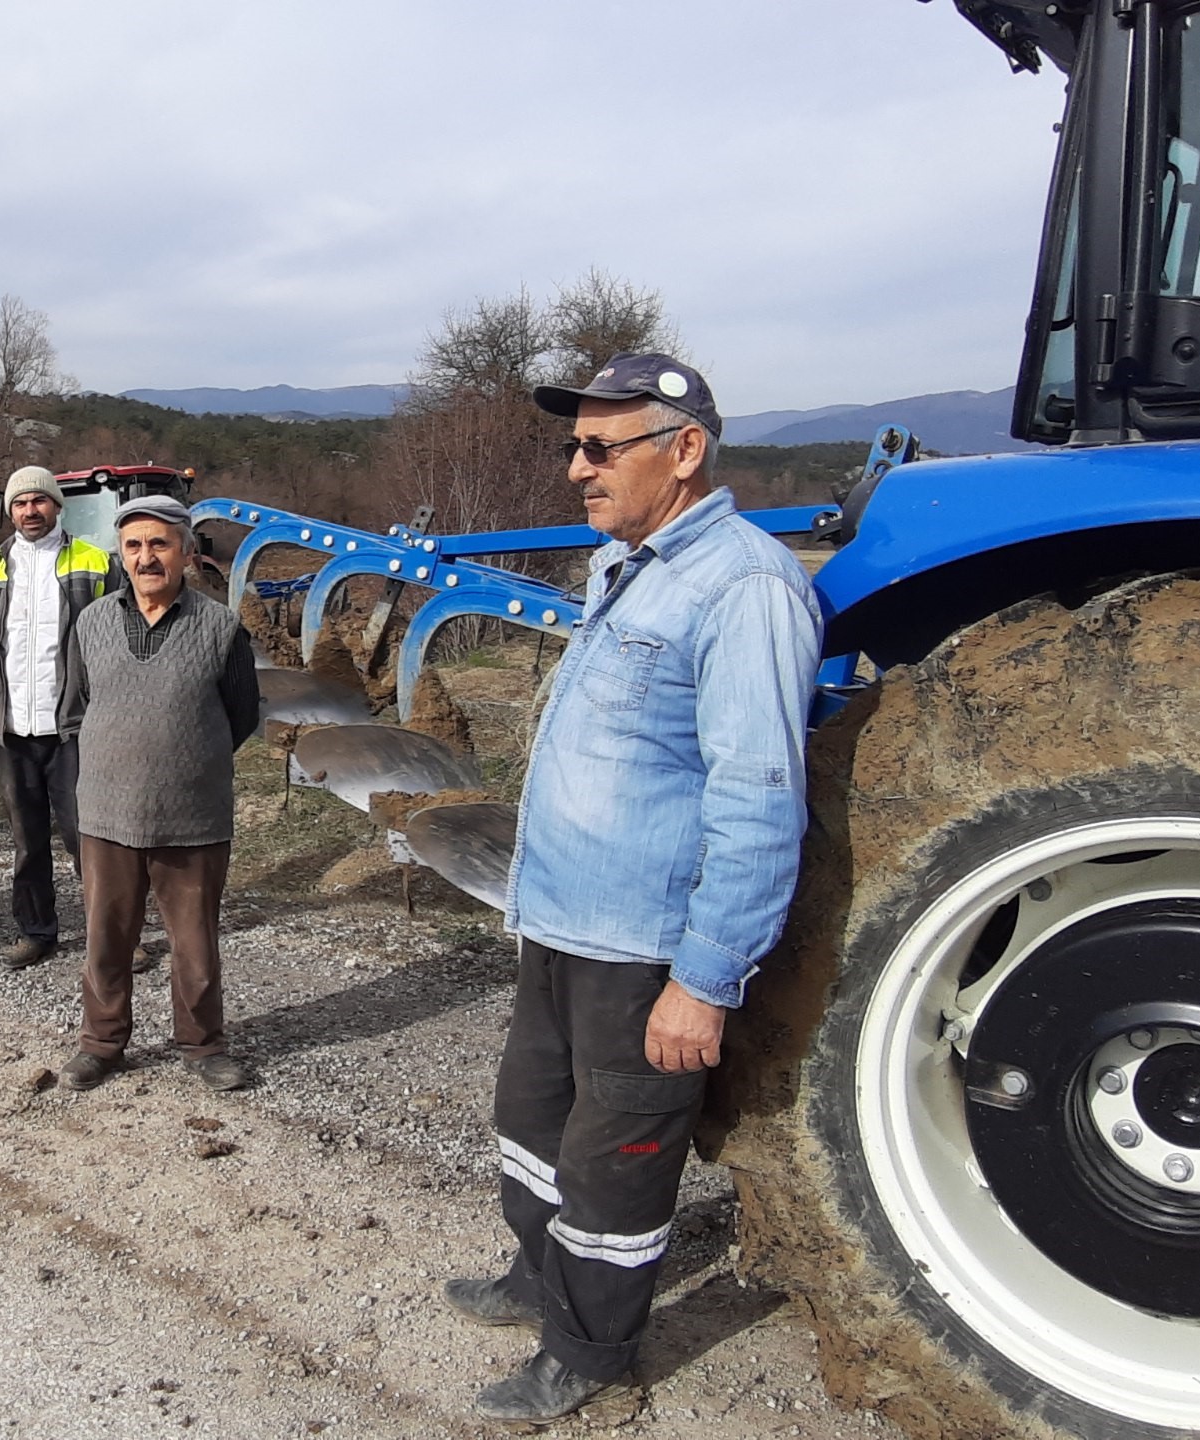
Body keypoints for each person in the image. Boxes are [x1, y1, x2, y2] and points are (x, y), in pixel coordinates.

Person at [445, 354, 822, 1423]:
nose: (574, 469)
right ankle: (536, 1277)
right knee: (533, 1118)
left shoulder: (744, 587)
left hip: (640, 946)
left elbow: (756, 800)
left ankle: (592, 1351)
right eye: (573, 446)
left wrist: (701, 982)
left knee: (614, 1161)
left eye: (599, 447)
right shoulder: (629, 567)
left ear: (686, 450)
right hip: (561, 924)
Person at [55, 494, 260, 1094]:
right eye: (135, 545)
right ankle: (101, 1043)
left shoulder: (221, 627)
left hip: (192, 817)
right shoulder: (91, 623)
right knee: (106, 938)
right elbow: (77, 708)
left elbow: (241, 716)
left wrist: (186, 761)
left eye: (160, 544)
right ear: (121, 555)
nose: (147, 557)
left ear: (187, 554)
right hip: (107, 813)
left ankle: (202, 1044)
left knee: (194, 943)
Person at [0, 465, 112, 968]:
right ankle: (36, 931)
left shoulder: (94, 562)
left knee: (86, 836)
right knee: (28, 842)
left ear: (57, 506)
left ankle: (112, 934)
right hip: (12, 732)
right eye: (21, 503)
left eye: (40, 501)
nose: (31, 511)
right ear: (9, 511)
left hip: (73, 727)